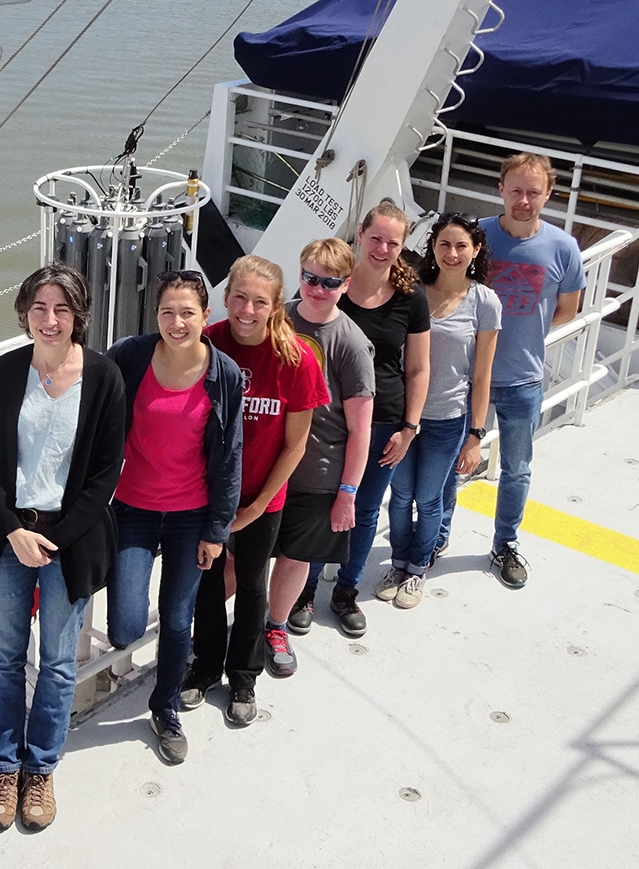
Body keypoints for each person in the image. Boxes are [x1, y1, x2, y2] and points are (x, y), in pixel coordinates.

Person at [0, 263, 125, 832]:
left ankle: (40, 771)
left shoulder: (104, 379)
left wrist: (51, 539)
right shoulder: (6, 372)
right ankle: (5, 769)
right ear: (25, 313)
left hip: (70, 539)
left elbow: (105, 477)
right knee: (6, 657)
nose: (49, 319)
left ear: (78, 314)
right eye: (39, 308)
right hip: (11, 534)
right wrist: (12, 530)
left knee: (56, 665)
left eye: (61, 309)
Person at [182, 255, 327, 724]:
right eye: (239, 298)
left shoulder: (297, 358)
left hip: (263, 498)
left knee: (250, 587)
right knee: (206, 582)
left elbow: (297, 443)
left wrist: (258, 505)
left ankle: (243, 677)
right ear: (225, 299)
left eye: (259, 301)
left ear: (276, 306)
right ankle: (203, 667)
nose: (247, 309)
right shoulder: (209, 343)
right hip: (206, 495)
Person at [106, 269, 243, 764]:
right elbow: (94, 409)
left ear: (207, 315)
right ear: (155, 315)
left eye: (188, 312)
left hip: (191, 514)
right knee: (123, 624)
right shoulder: (130, 355)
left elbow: (230, 458)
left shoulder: (223, 374)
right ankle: (139, 663)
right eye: (168, 311)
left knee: (178, 619)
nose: (177, 321)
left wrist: (217, 530)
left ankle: (164, 708)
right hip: (132, 508)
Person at [439, 153, 584, 588]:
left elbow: (565, 310)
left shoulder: (564, 248)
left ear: (548, 194)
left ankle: (504, 544)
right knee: (450, 463)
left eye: (533, 192)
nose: (524, 200)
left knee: (517, 468)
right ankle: (437, 535)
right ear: (500, 189)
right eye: (516, 190)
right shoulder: (475, 237)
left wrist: (520, 331)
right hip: (466, 378)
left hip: (523, 379)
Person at [299, 201, 430, 637]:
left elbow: (417, 368)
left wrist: (410, 427)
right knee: (323, 505)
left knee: (365, 509)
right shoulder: (334, 283)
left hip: (384, 419)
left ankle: (346, 591)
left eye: (393, 242)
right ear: (360, 233)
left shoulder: (411, 298)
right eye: (376, 238)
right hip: (325, 421)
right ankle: (304, 590)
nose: (383, 248)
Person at [376, 214, 501, 608]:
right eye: (444, 244)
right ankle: (398, 561)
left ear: (476, 251)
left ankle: (417, 569)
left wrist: (475, 437)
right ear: (432, 247)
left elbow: (482, 376)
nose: (452, 253)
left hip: (448, 417)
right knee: (400, 495)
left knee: (429, 498)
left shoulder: (485, 302)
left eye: (461, 246)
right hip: (402, 412)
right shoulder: (411, 291)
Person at [265, 239, 374, 675]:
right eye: (310, 277)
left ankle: (275, 626)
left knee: (295, 556)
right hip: (265, 467)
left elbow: (360, 428)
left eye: (329, 282)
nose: (317, 288)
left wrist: (348, 492)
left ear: (346, 285)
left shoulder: (352, 343)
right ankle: (209, 630)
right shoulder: (277, 319)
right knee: (238, 555)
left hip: (317, 474)